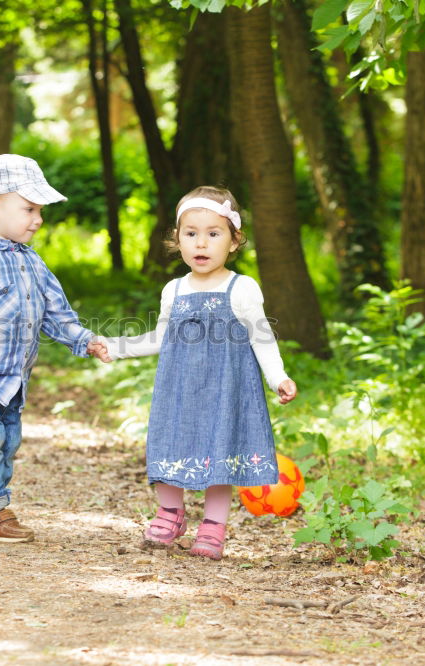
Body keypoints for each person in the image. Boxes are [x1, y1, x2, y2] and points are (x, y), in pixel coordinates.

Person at [100, 185, 297, 560]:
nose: (201, 244)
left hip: (225, 389)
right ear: (178, 239)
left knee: (219, 453)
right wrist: (116, 347)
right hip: (179, 388)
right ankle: (170, 512)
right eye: (191, 234)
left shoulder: (241, 288)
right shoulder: (173, 290)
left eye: (213, 233)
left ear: (234, 241)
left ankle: (213, 525)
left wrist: (278, 377)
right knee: (169, 444)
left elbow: (263, 337)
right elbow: (161, 336)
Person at [0, 154, 109, 544]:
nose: (38, 219)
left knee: (7, 444)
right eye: (29, 208)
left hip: (12, 380)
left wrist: (83, 340)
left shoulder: (32, 262)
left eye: (40, 210)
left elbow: (55, 313)